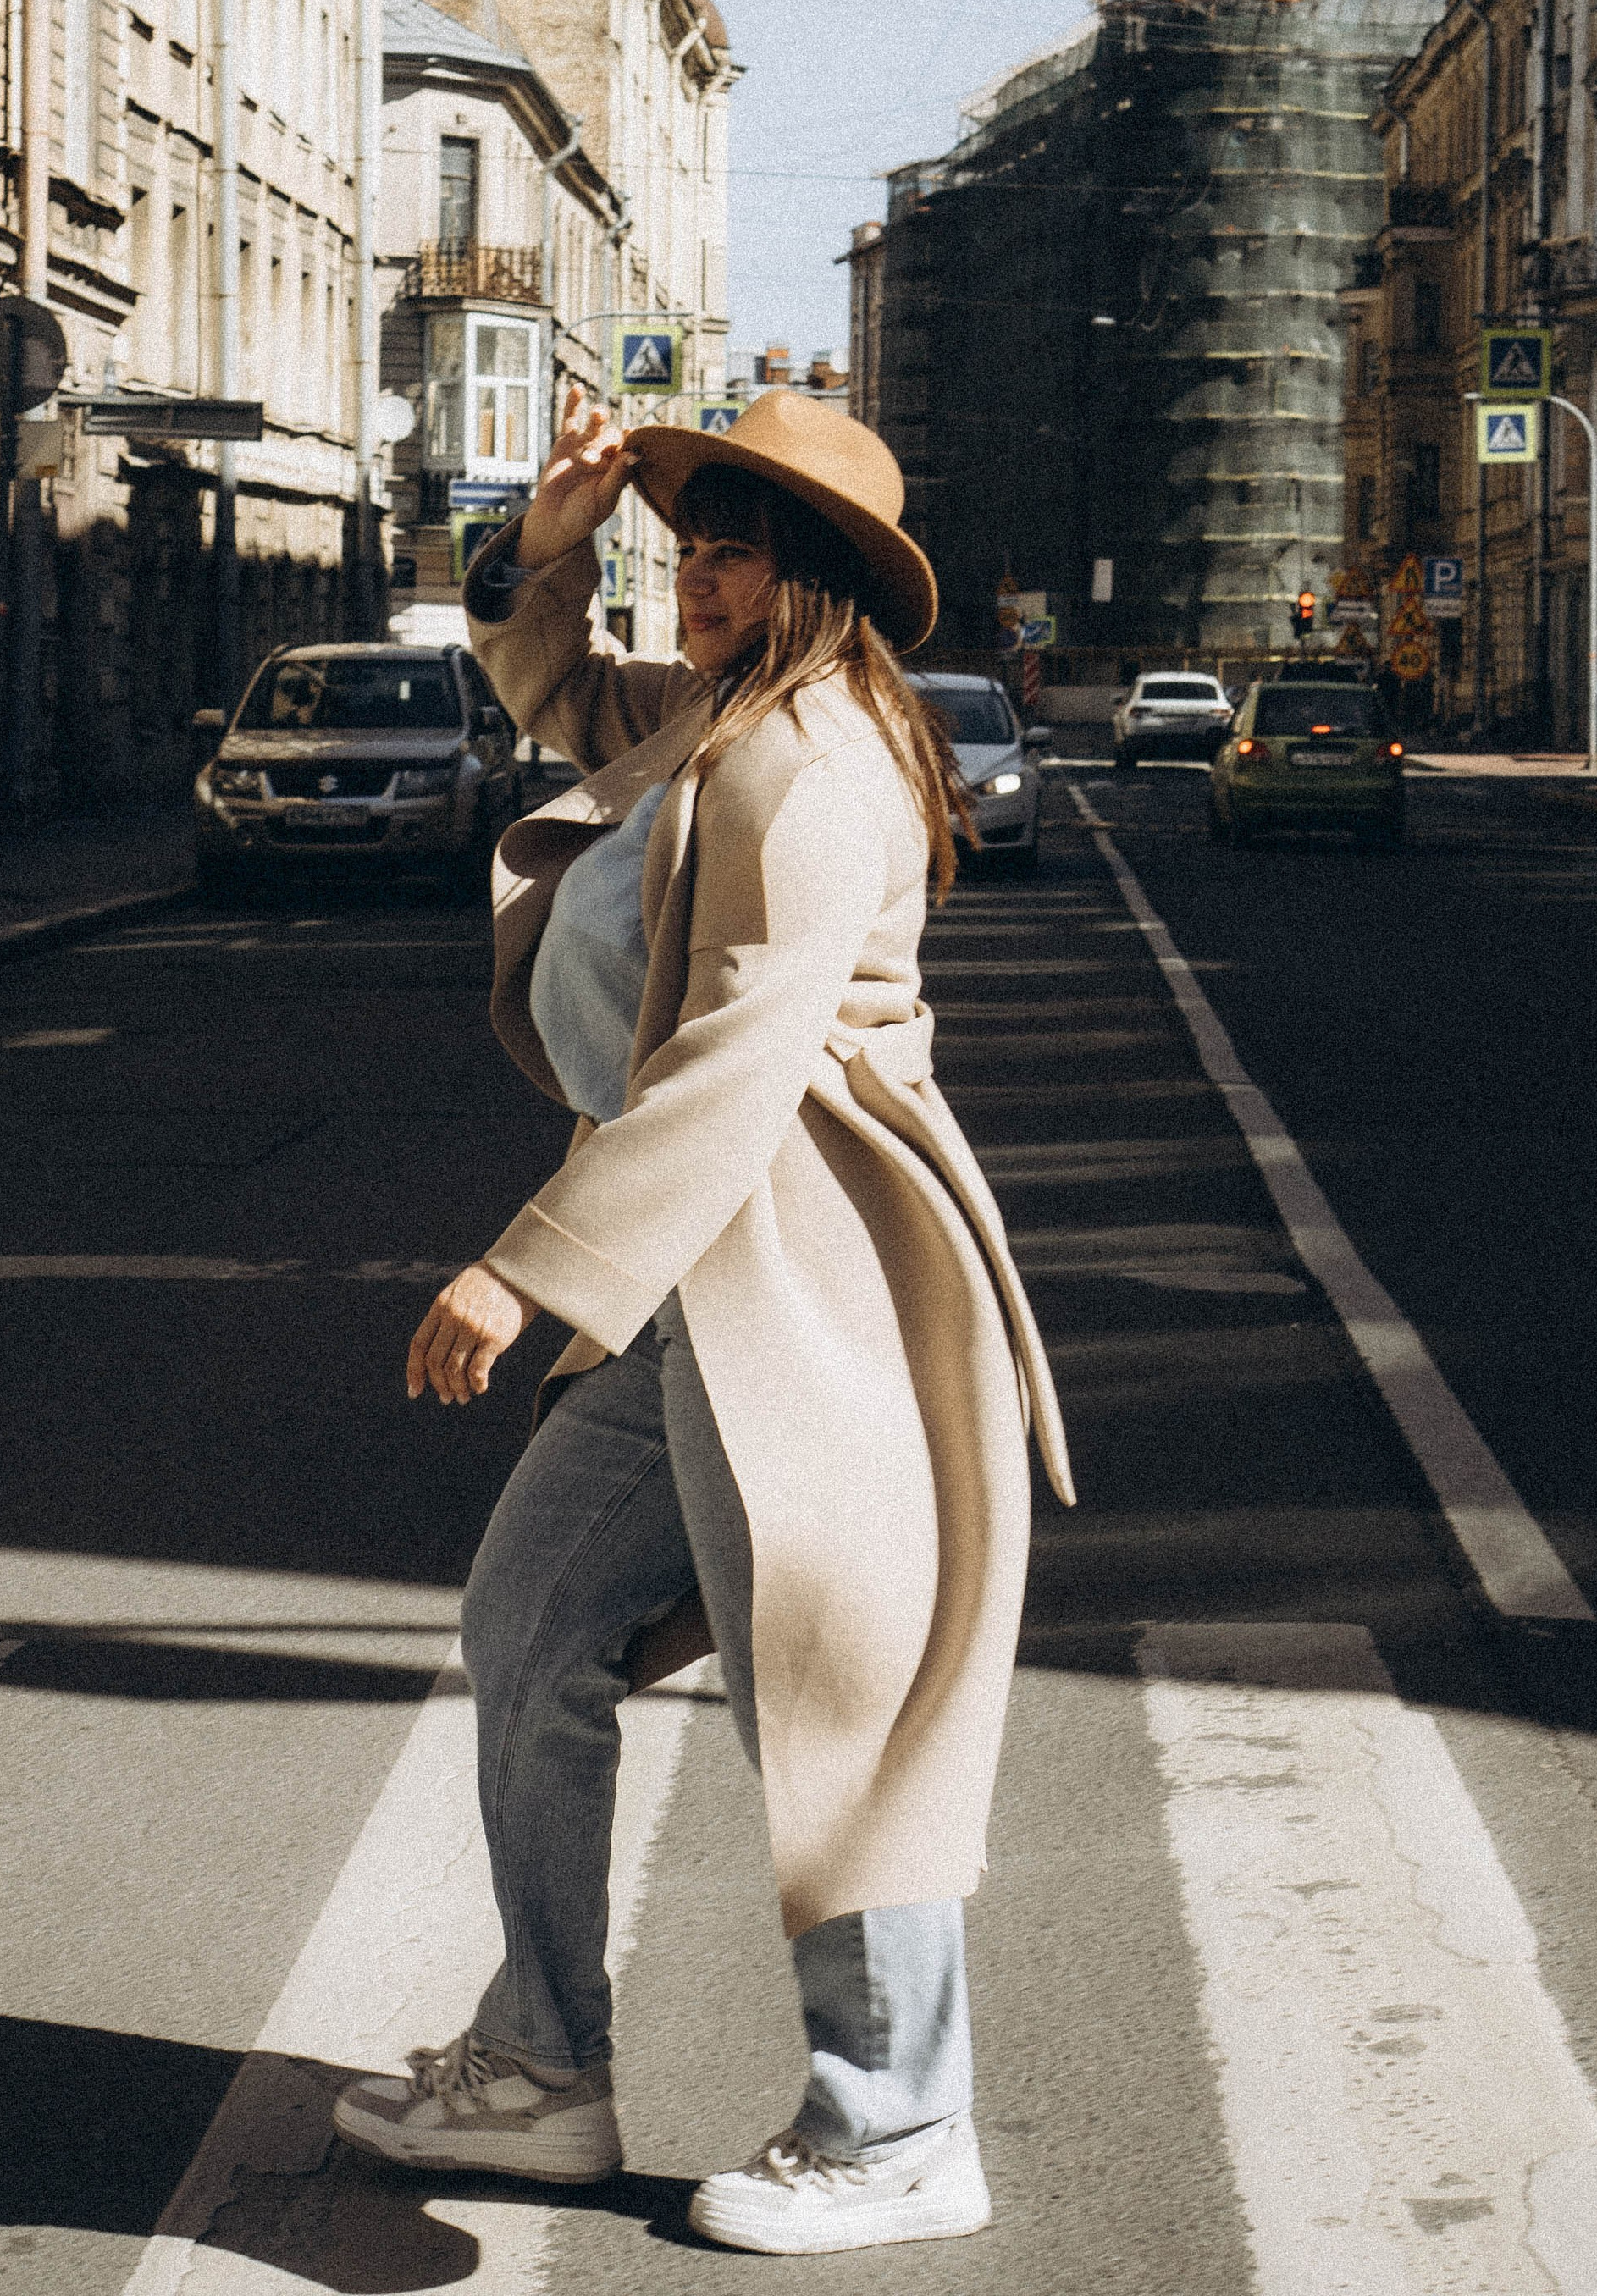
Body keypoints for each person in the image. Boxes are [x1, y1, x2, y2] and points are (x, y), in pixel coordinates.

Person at [331, 383, 1073, 2256]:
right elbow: (546, 688)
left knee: (832, 1694)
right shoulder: (707, 722)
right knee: (529, 1631)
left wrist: (524, 1263)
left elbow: (743, 1058)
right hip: (686, 1277)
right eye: (686, 548)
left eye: (728, 551)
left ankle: (899, 2125)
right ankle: (543, 2069)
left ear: (811, 579)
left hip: (808, 1267)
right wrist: (556, 533)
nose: (693, 578)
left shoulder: (813, 760)